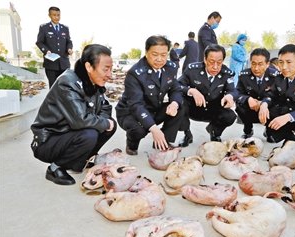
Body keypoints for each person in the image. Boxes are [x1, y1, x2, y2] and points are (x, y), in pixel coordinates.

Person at [30, 44, 117, 185]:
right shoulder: (68, 82)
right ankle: (55, 168)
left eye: (111, 69)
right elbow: (80, 120)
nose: (109, 75)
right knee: (91, 133)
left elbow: (105, 108)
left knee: (110, 125)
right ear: (89, 67)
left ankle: (79, 160)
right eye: (106, 69)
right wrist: (104, 122)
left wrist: (106, 122)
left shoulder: (94, 81)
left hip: (69, 134)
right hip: (48, 140)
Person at [115, 35, 184, 155]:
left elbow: (175, 89)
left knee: (181, 106)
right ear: (146, 52)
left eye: (163, 55)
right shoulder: (135, 73)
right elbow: (136, 105)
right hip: (130, 112)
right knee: (139, 129)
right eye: (155, 54)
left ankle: (163, 142)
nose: (159, 59)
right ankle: (131, 143)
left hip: (154, 109)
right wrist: (154, 129)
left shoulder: (170, 68)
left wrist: (174, 103)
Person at [178, 44, 237, 147]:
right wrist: (191, 90)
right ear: (205, 59)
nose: (215, 66)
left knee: (230, 116)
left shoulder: (227, 73)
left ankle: (214, 132)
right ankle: (187, 134)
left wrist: (230, 96)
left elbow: (233, 91)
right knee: (179, 104)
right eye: (211, 62)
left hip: (214, 109)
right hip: (194, 108)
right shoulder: (193, 70)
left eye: (219, 62)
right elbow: (177, 85)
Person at [235, 48, 278, 139]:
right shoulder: (244, 75)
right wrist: (248, 99)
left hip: (267, 107)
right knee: (239, 106)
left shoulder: (275, 76)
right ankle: (248, 130)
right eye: (253, 64)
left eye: (260, 64)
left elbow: (276, 95)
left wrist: (264, 103)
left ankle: (269, 131)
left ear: (267, 64)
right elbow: (237, 93)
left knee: (277, 108)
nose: (256, 68)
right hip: (251, 107)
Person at [36, 6, 73, 88]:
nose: (57, 17)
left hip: (64, 63)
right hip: (51, 64)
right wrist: (46, 51)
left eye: (58, 15)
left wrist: (69, 48)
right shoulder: (44, 28)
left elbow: (69, 41)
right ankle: (53, 101)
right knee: (53, 88)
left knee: (64, 87)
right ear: (49, 15)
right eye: (54, 15)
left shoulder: (65, 28)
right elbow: (39, 42)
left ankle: (63, 101)